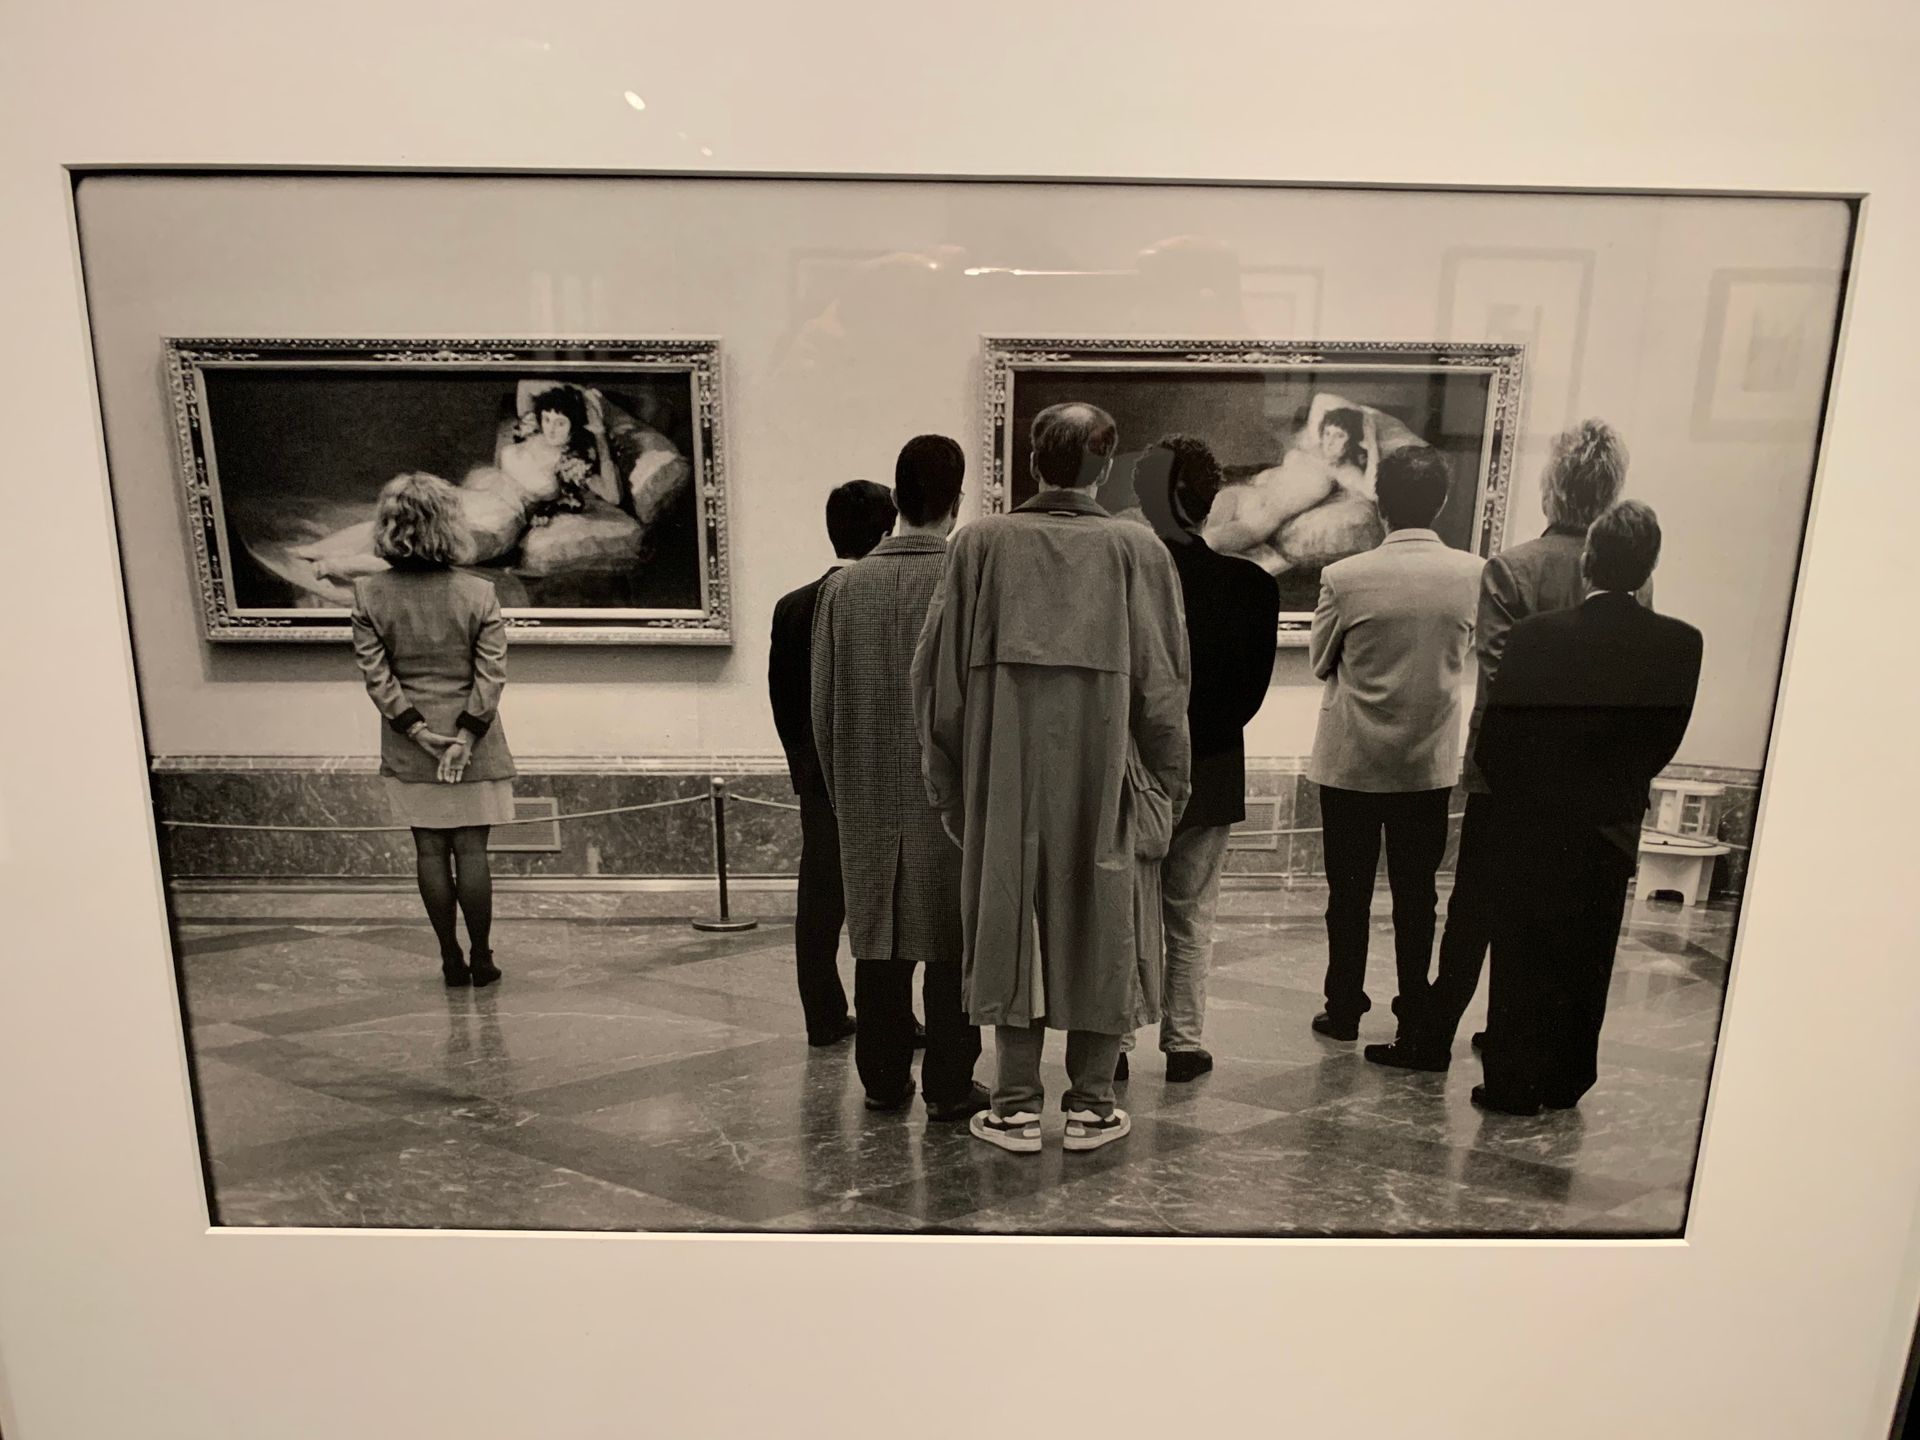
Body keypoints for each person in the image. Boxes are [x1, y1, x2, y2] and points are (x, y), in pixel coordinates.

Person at [913, 402, 1190, 1155]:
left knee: (1011, 921)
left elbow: (937, 684)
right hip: (1107, 779)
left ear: (1034, 462)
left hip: (1003, 778)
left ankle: (1014, 1106)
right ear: (1104, 469)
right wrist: (1167, 793)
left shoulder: (981, 545)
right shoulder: (1137, 550)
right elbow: (1165, 692)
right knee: (1103, 920)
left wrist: (951, 789)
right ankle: (1093, 1105)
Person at [1405, 420, 1640, 1068]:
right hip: (1588, 779)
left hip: (1509, 771)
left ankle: (1432, 1038)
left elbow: (1504, 677)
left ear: (1551, 484)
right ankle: (1516, 1032)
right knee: (1553, 916)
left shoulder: (1514, 568)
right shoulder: (1631, 580)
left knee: (1474, 911)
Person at [1471, 501, 1701, 1115]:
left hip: (1533, 821)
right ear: (1650, 565)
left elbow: (1497, 739)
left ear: (1588, 562)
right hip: (1611, 823)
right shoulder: (1680, 643)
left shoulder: (1536, 636)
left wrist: (1529, 798)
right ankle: (1566, 1076)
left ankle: (1511, 1081)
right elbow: (1663, 740)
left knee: (1521, 954)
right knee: (1588, 955)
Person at [812, 435, 987, 1121]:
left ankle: (883, 1080)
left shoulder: (844, 588)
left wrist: (844, 796)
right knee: (950, 946)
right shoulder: (966, 581)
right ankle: (949, 1083)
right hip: (950, 800)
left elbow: (824, 711)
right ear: (957, 500)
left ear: (896, 495)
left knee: (878, 945)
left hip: (866, 795)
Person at [1305, 446, 1484, 1048]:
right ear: (1441, 502)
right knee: (1417, 894)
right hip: (1425, 762)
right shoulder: (1474, 573)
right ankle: (1412, 1006)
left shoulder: (1345, 576)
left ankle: (1344, 1007)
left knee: (1348, 894)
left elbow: (1320, 660)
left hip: (1351, 759)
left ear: (1381, 503)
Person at [1117, 435, 1278, 1083]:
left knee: (1124, 915)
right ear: (1212, 501)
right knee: (1192, 916)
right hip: (1210, 764)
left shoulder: (1125, 581)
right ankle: (1184, 1042)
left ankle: (1115, 1043)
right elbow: (1249, 698)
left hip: (1130, 769)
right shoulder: (1251, 586)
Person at [349, 473, 514, 988]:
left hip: (410, 745)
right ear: (449, 524)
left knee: (429, 852)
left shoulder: (368, 594)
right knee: (473, 853)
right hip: (475, 744)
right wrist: (464, 738)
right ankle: (482, 957)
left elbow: (377, 678)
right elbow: (491, 675)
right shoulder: (478, 592)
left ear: (389, 524)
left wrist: (419, 732)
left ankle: (450, 958)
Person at [768, 480, 897, 1047]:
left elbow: (783, 699)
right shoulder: (885, 599)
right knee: (889, 900)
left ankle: (822, 1015)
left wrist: (805, 770)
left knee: (820, 900)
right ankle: (891, 1019)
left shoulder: (793, 605)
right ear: (887, 532)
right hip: (882, 775)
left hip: (820, 776)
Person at [298, 382, 616, 585]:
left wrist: (600, 435)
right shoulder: (530, 431)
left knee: (424, 558)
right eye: (547, 418)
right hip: (472, 499)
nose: (551, 428)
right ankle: (318, 551)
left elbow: (612, 495)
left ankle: (337, 566)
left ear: (575, 426)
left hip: (501, 521)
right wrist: (574, 392)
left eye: (561, 423)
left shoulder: (572, 462)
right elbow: (526, 386)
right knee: (402, 525)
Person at [1200, 394, 1383, 576]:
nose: (1330, 441)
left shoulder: (1342, 471)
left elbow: (1371, 492)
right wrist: (1360, 412)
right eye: (1327, 433)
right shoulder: (1312, 447)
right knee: (1198, 536)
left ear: (1351, 442)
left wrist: (1371, 442)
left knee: (1209, 541)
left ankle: (1256, 558)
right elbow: (1320, 399)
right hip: (1241, 495)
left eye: (1339, 435)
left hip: (1259, 518)